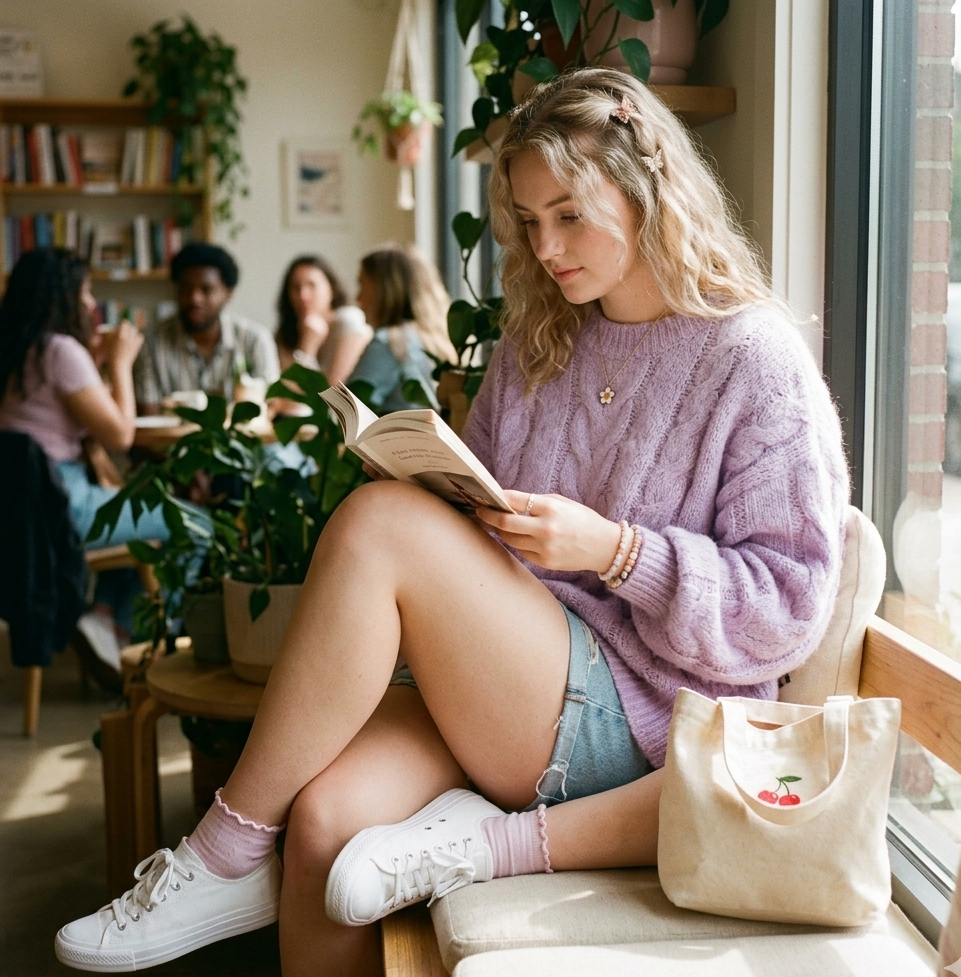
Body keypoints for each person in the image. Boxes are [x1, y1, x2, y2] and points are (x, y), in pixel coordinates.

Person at [55, 67, 850, 977]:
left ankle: (221, 851)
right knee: (320, 828)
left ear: (646, 188)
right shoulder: (538, 345)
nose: (547, 246)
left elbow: (788, 606)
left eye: (569, 213)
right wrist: (447, 497)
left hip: (641, 724)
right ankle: (249, 850)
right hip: (506, 688)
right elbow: (486, 533)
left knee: (380, 526)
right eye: (529, 220)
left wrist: (619, 552)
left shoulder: (753, 357)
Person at [0, 248, 166, 671]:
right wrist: (121, 363)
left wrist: (95, 365)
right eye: (86, 292)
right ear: (62, 297)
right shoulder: (60, 352)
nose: (92, 304)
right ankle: (130, 641)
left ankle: (104, 617)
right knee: (190, 521)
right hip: (60, 506)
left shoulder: (16, 351)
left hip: (19, 514)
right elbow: (122, 436)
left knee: (131, 515)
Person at [134, 243, 280, 413]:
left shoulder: (254, 340)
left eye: (206, 290)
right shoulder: (151, 342)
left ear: (228, 294)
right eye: (186, 289)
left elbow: (271, 407)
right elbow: (149, 416)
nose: (194, 299)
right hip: (173, 440)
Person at [350, 243, 456, 411]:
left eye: (362, 285)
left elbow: (348, 415)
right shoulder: (440, 340)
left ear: (384, 291)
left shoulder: (388, 343)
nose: (357, 297)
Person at [275, 254, 372, 386]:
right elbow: (285, 395)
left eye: (312, 285)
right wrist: (307, 346)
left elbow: (335, 396)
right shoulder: (285, 333)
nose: (303, 295)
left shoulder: (349, 321)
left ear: (331, 289)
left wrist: (308, 350)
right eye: (296, 288)